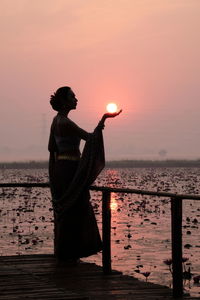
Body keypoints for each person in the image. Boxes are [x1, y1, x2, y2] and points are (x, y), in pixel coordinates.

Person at [48, 86, 122, 263]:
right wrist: (104, 118)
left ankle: (66, 253)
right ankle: (70, 254)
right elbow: (91, 139)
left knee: (68, 210)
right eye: (73, 97)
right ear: (65, 101)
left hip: (61, 169)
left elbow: (52, 149)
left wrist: (54, 172)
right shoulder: (65, 122)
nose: (76, 99)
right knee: (75, 209)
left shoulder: (55, 120)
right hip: (71, 169)